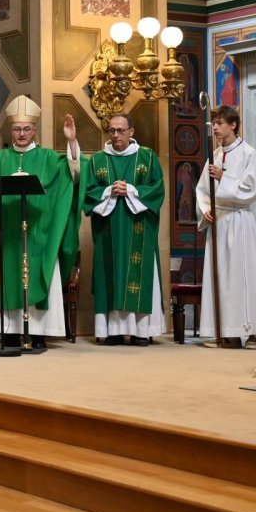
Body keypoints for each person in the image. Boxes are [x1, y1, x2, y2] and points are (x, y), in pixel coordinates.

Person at [0, 97, 82, 347]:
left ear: (34, 130)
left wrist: (71, 141)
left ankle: (37, 333)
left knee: (35, 273)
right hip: (4, 238)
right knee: (7, 274)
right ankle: (9, 332)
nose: (21, 134)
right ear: (10, 131)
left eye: (26, 129)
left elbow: (74, 174)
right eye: (16, 129)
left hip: (38, 235)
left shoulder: (48, 158)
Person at [83, 113, 166, 346]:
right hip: (107, 228)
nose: (116, 135)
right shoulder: (97, 160)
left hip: (138, 227)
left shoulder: (148, 157)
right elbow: (89, 194)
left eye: (120, 130)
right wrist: (109, 191)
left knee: (137, 274)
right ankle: (112, 331)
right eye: (111, 130)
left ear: (132, 132)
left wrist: (130, 189)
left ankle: (141, 331)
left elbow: (158, 190)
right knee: (110, 274)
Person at [195, 106, 256, 349]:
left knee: (241, 276)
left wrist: (224, 178)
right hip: (219, 221)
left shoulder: (248, 153)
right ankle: (224, 331)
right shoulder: (214, 155)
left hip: (239, 220)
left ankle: (252, 331)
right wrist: (206, 209)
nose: (215, 127)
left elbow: (251, 189)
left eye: (220, 123)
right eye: (213, 123)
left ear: (233, 125)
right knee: (221, 276)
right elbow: (201, 190)